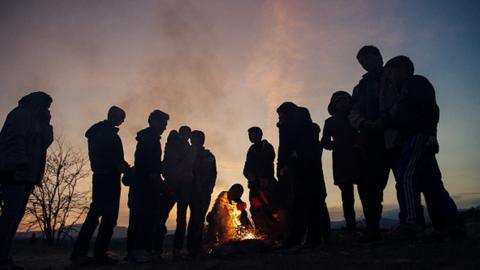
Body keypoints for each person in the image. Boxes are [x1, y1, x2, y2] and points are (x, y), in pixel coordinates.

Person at [382, 56, 462, 239]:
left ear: (401, 69)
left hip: (417, 136)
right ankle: (449, 224)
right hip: (421, 135)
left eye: (390, 72)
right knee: (431, 180)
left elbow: (428, 110)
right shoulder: (411, 86)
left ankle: (411, 223)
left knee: (406, 176)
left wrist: (429, 132)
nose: (389, 78)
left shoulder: (413, 83)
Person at [0, 92, 53, 270]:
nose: (47, 109)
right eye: (46, 105)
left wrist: (46, 124)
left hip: (27, 174)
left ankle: (3, 257)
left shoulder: (36, 120)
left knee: (14, 216)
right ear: (37, 103)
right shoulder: (21, 114)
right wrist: (19, 164)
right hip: (15, 172)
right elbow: (14, 140)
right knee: (10, 216)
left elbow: (45, 143)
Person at [71, 106, 129, 266]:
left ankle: (95, 253)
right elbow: (107, 157)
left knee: (104, 217)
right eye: (122, 118)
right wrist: (119, 166)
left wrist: (125, 166)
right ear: (114, 116)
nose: (122, 121)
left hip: (107, 177)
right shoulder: (104, 133)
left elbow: (115, 157)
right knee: (101, 217)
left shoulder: (103, 132)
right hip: (106, 178)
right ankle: (86, 254)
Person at [348, 45, 391, 242]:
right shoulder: (360, 87)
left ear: (378, 56)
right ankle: (373, 227)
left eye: (367, 59)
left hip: (394, 136)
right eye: (361, 62)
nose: (365, 64)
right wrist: (364, 124)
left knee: (409, 180)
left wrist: (387, 120)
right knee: (371, 186)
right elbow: (354, 112)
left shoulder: (392, 76)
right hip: (371, 141)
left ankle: (416, 223)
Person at [128, 110, 169, 263]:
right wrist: (160, 184)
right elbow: (150, 166)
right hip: (146, 185)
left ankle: (136, 251)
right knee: (144, 218)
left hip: (143, 184)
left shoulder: (148, 138)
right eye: (162, 123)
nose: (164, 127)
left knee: (140, 218)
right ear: (153, 121)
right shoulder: (150, 139)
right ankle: (139, 251)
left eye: (165, 124)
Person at [321, 91, 361, 231]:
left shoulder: (356, 117)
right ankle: (351, 225)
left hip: (358, 157)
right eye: (339, 100)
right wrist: (338, 145)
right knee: (347, 196)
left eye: (345, 100)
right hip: (341, 161)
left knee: (366, 192)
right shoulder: (330, 122)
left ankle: (371, 224)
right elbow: (324, 142)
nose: (343, 103)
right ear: (334, 104)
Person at [156, 126, 196, 258]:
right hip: (172, 186)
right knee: (162, 216)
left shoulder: (187, 149)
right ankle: (157, 249)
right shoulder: (173, 146)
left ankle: (176, 249)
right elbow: (168, 164)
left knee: (180, 219)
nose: (185, 136)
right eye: (184, 133)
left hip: (182, 186)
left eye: (187, 134)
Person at [243, 127, 281, 240]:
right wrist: (247, 174)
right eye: (249, 135)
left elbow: (268, 164)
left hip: (265, 186)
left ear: (259, 134)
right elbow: (247, 166)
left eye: (252, 134)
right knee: (256, 210)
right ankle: (262, 235)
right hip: (254, 187)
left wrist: (263, 178)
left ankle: (275, 235)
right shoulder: (252, 149)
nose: (250, 137)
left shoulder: (266, 147)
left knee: (269, 209)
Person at [186, 130, 217, 255]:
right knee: (193, 218)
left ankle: (196, 246)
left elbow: (213, 174)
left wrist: (209, 188)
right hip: (190, 191)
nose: (194, 142)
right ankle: (191, 247)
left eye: (198, 139)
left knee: (198, 219)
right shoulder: (187, 154)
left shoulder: (208, 156)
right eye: (193, 139)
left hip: (203, 192)